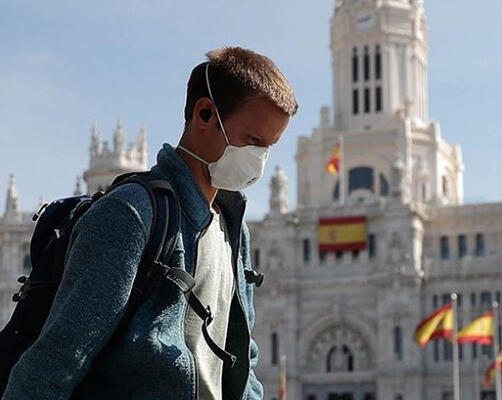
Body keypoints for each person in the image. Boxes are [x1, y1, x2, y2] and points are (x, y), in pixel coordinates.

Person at [3, 46, 298, 400]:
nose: (260, 160)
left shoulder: (235, 230)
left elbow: (242, 364)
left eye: (268, 147)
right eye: (253, 142)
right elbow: (55, 362)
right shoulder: (131, 214)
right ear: (205, 114)